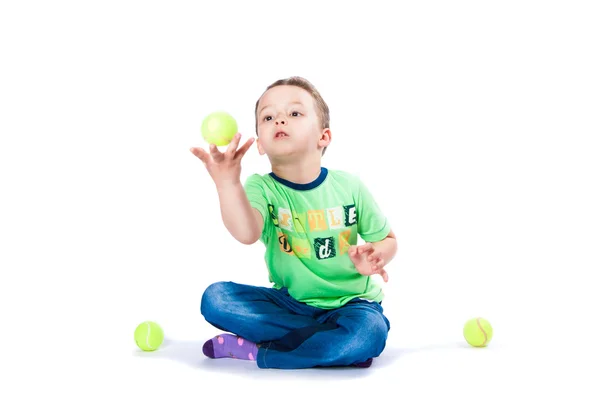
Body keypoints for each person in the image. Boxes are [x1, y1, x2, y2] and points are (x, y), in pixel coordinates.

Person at [189, 76, 397, 369]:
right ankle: (333, 348)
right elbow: (247, 233)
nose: (280, 121)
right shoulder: (261, 187)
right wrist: (227, 184)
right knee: (216, 299)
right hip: (290, 304)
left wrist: (374, 256)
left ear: (323, 137)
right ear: (260, 144)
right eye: (269, 116)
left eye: (295, 113)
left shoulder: (349, 186)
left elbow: (388, 240)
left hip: (352, 305)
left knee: (369, 333)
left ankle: (261, 351)